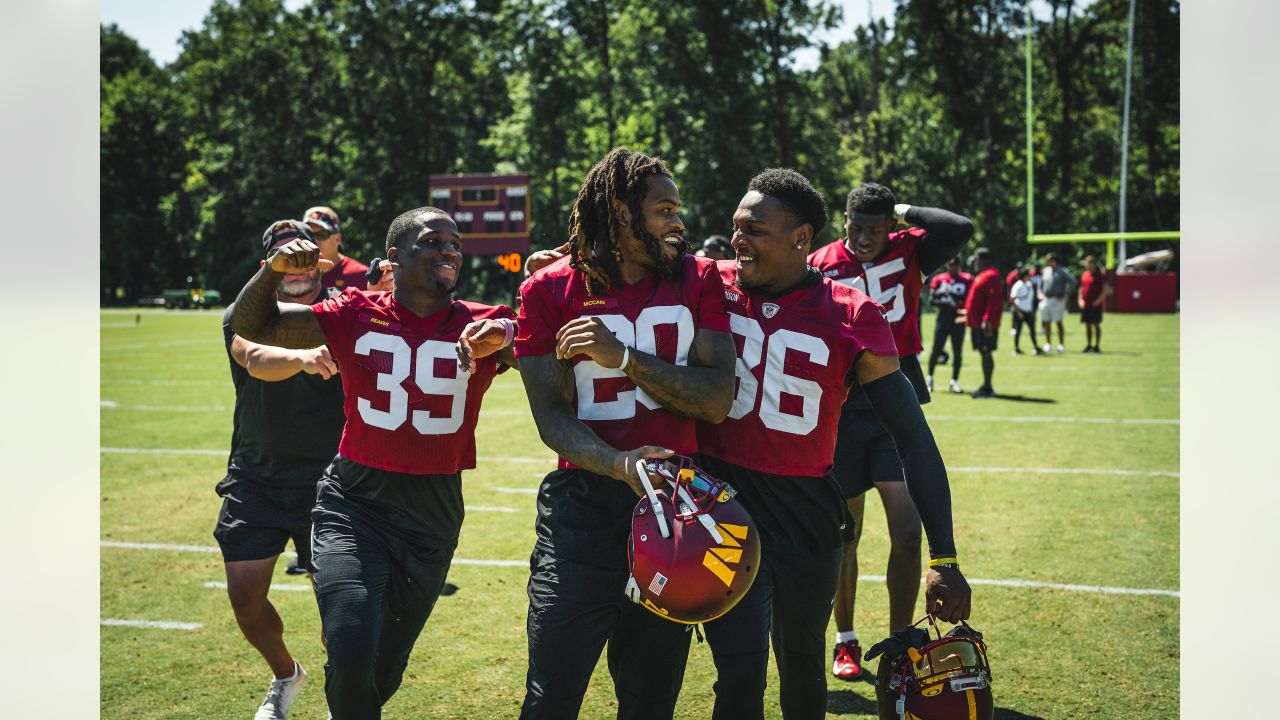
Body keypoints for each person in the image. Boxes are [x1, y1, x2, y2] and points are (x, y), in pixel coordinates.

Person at [692, 169, 973, 718]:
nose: (736, 239)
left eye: (753, 229)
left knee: (802, 666)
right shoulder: (705, 281)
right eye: (735, 226)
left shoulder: (851, 312)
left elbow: (913, 435)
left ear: (801, 237)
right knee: (740, 673)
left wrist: (945, 555)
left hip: (806, 513)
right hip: (724, 507)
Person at [231, 206, 518, 719]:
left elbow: (537, 341)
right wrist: (271, 270)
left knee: (382, 670)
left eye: (454, 242)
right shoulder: (354, 312)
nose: (449, 249)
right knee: (349, 645)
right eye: (433, 241)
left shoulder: (480, 320)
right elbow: (252, 323)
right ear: (395, 256)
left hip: (432, 514)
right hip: (354, 502)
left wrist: (509, 337)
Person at [507, 147, 736, 719]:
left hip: (674, 507)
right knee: (552, 694)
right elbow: (552, 417)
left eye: (676, 208)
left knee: (651, 699)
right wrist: (619, 464)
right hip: (582, 509)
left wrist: (624, 358)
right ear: (620, 210)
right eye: (663, 209)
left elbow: (714, 400)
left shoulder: (699, 278)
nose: (677, 222)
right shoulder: (548, 290)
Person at [807, 182, 972, 681]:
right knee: (846, 534)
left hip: (895, 398)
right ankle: (846, 640)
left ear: (891, 227)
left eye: (874, 229)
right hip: (843, 403)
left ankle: (902, 641)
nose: (863, 237)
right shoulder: (819, 262)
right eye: (855, 226)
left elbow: (958, 227)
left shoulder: (910, 251)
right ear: (843, 222)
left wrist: (898, 212)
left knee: (906, 529)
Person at [215, 220, 345, 720]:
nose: (294, 266)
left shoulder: (343, 312)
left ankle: (342, 693)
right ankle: (286, 675)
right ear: (265, 266)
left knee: (337, 605)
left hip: (330, 478)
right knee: (246, 598)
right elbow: (254, 357)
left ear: (322, 266)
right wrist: (303, 357)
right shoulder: (242, 315)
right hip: (257, 474)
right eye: (282, 257)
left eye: (303, 257)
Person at [925, 257, 972, 394]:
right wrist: (944, 300)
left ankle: (954, 382)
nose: (952, 267)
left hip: (958, 317)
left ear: (959, 265)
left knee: (958, 351)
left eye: (955, 265)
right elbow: (932, 300)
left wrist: (955, 300)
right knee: (936, 349)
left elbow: (970, 298)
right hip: (943, 317)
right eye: (950, 264)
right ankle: (930, 379)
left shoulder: (967, 279)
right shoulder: (940, 279)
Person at [964, 247, 1004, 398]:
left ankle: (988, 387)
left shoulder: (991, 275)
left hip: (984, 325)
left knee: (986, 353)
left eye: (977, 260)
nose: (975, 263)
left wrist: (987, 320)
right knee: (984, 353)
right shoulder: (983, 275)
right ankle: (986, 386)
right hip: (978, 323)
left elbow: (993, 301)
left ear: (984, 260)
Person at [303, 205, 370, 291]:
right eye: (308, 235)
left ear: (338, 238)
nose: (314, 240)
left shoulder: (362, 276)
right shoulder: (295, 275)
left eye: (322, 235)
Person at [1038, 252, 1074, 353]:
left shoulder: (1062, 271)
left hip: (1057, 300)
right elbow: (1040, 285)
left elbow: (1073, 282)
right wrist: (1040, 294)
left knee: (1058, 322)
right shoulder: (1045, 271)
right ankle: (1048, 344)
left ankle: (1061, 344)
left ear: (1054, 261)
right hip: (1046, 299)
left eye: (1049, 260)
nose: (1048, 262)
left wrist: (1065, 294)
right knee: (1047, 322)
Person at [1078, 254, 1112, 352]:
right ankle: (1089, 345)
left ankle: (1097, 345)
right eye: (1086, 263)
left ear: (1094, 264)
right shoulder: (1084, 274)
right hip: (1086, 305)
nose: (1087, 265)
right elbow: (1081, 288)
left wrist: (1098, 301)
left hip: (1095, 305)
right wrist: (1080, 299)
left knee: (1096, 324)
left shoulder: (1100, 275)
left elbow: (1106, 290)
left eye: (1089, 263)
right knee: (1087, 325)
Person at [1008, 267, 1041, 354]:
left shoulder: (1030, 284)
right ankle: (1016, 348)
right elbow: (1012, 299)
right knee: (1018, 330)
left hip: (1029, 311)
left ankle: (1036, 347)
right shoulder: (1018, 285)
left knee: (1032, 330)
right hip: (1020, 311)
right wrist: (1018, 312)